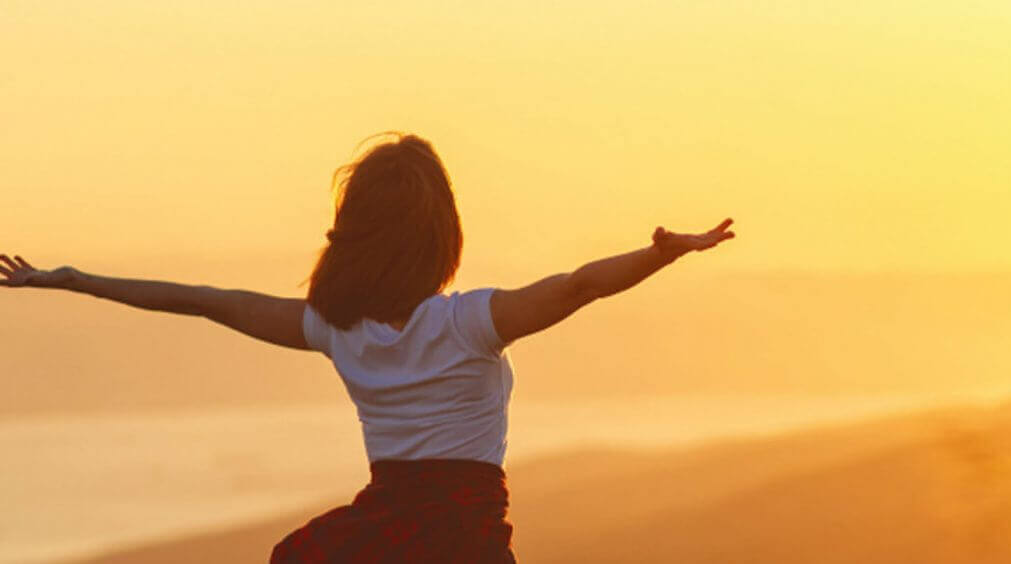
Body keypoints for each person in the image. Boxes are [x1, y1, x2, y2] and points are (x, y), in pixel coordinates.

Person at [0, 131, 737, 562]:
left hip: (382, 534)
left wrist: (72, 279)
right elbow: (580, 285)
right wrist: (664, 254)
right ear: (442, 237)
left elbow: (203, 302)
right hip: (463, 541)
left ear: (353, 238)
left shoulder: (332, 329)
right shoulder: (470, 323)